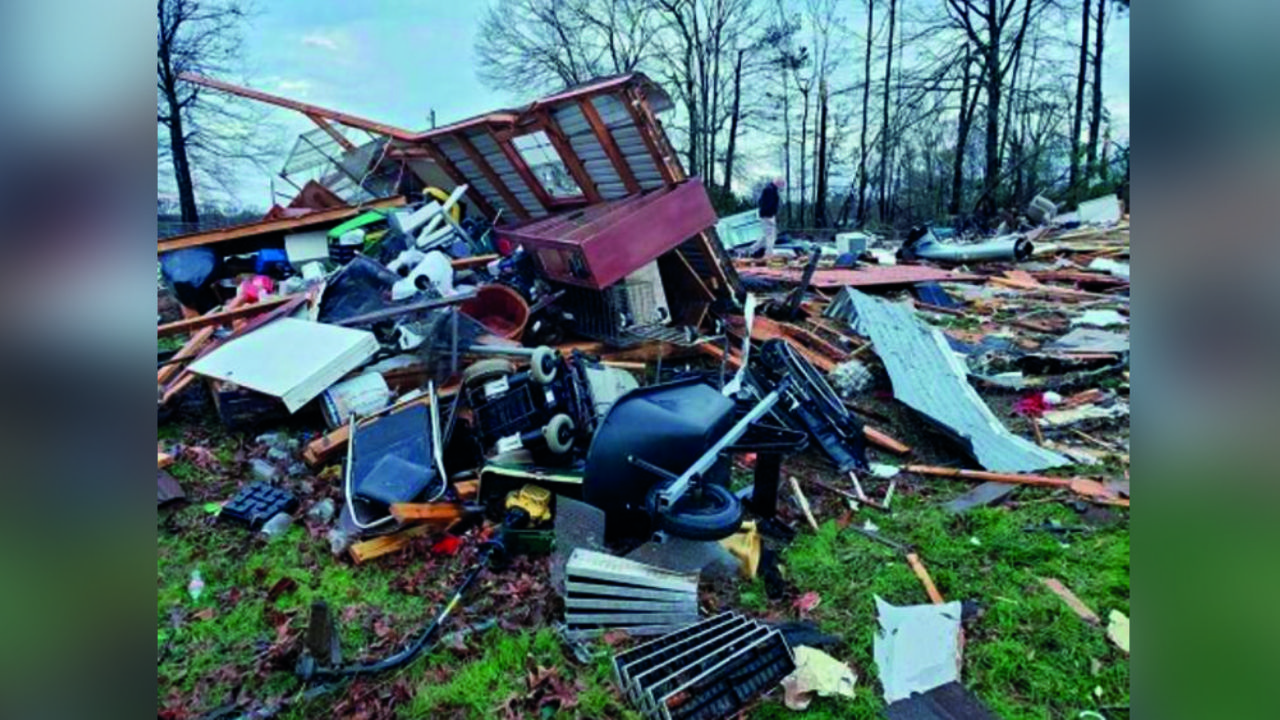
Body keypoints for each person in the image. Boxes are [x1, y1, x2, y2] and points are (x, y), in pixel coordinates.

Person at [745, 178, 783, 256]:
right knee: (771, 236)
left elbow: (763, 202)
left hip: (767, 215)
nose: (782, 187)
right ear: (778, 183)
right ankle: (769, 254)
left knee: (766, 236)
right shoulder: (770, 190)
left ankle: (751, 249)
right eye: (781, 184)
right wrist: (770, 214)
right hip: (768, 215)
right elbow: (769, 204)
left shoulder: (770, 189)